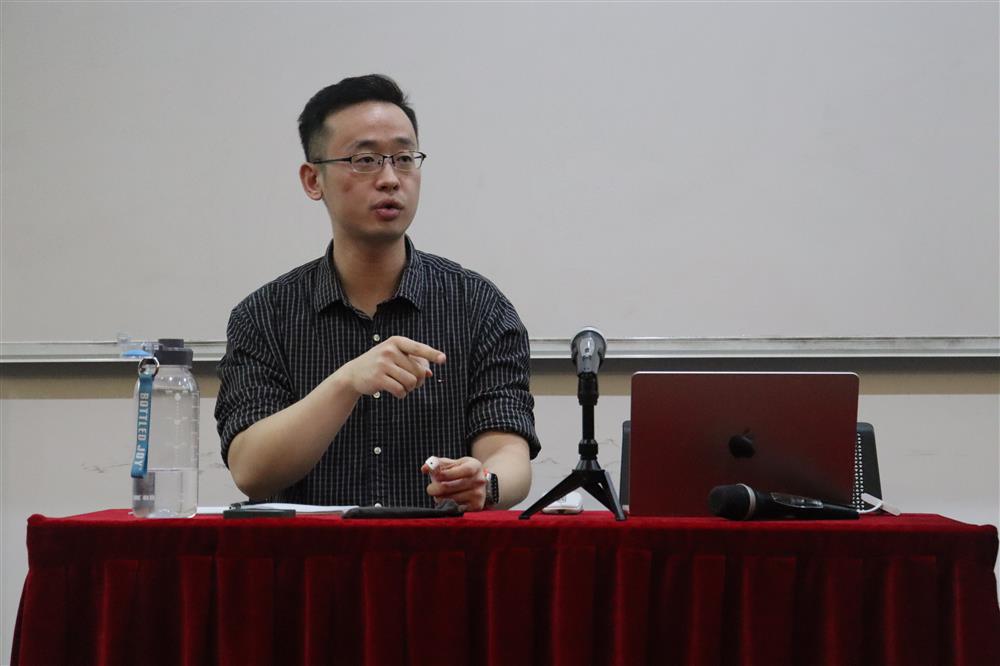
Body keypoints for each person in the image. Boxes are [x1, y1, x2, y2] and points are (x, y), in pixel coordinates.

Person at [215, 74, 539, 511]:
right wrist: (346, 382)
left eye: (404, 158)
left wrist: (485, 482)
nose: (390, 179)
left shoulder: (478, 306)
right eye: (365, 160)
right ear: (313, 180)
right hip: (312, 553)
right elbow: (252, 470)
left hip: (438, 550)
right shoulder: (264, 316)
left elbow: (509, 452)